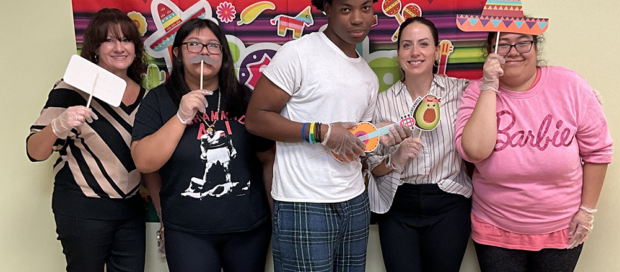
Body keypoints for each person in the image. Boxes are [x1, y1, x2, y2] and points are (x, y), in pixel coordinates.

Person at [245, 0, 409, 271]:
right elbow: (256, 118)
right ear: (328, 9)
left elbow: (357, 142)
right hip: (304, 202)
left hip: (355, 201)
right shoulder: (298, 53)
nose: (357, 19)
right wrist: (322, 132)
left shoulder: (368, 77)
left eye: (365, 8)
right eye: (346, 9)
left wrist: (381, 137)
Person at [454, 31, 614, 272]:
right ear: (490, 52)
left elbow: (598, 152)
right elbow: (474, 151)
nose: (514, 51)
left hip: (562, 229)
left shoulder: (570, 85)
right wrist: (489, 86)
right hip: (495, 229)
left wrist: (587, 211)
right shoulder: (476, 92)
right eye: (503, 45)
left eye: (523, 43)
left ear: (536, 47)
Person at [131, 18, 275, 272]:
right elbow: (144, 162)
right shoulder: (159, 100)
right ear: (177, 53)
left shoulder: (245, 98)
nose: (204, 52)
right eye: (194, 44)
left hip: (248, 228)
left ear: (223, 54)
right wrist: (180, 117)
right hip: (187, 231)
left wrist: (276, 218)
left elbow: (268, 159)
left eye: (213, 46)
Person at [26, 8, 147, 272]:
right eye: (109, 40)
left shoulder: (146, 97)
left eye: (126, 40)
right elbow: (35, 151)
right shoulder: (70, 89)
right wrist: (59, 125)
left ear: (135, 48)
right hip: (82, 208)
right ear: (94, 47)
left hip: (130, 211)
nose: (119, 47)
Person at [366, 17, 472, 272]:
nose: (415, 52)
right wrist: (395, 159)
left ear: (437, 51)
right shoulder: (381, 102)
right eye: (406, 45)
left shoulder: (461, 91)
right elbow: (372, 168)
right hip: (398, 204)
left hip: (450, 201)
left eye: (423, 44)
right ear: (399, 53)